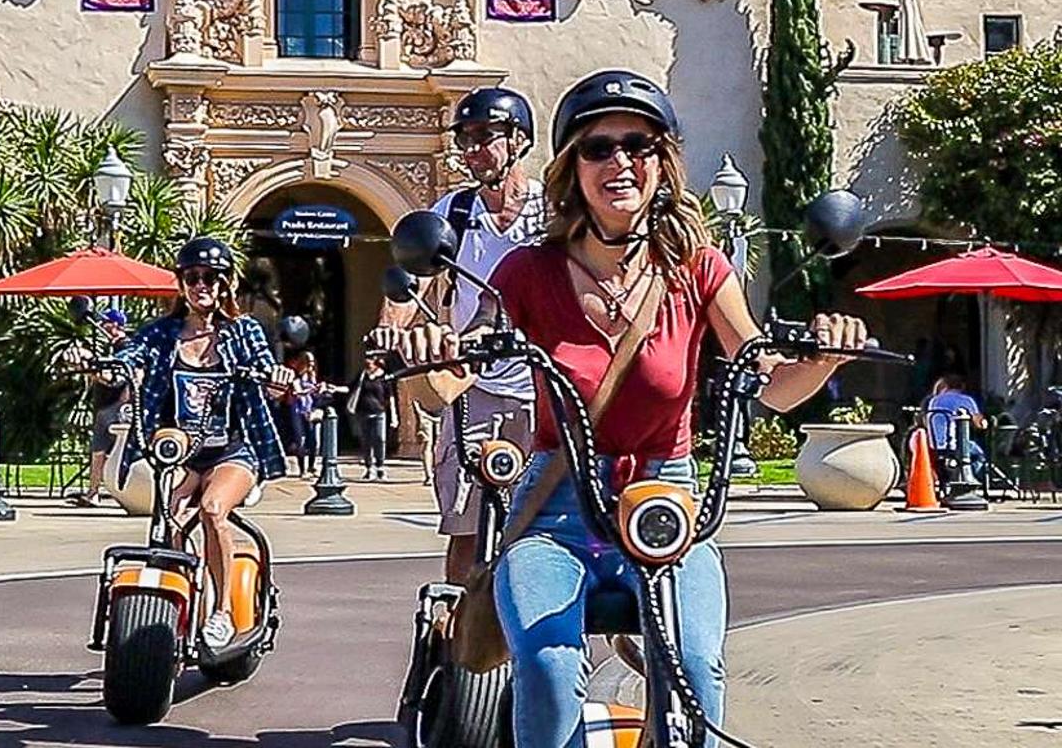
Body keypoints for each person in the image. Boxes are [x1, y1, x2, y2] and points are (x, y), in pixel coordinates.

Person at [375, 69, 872, 748]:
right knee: (548, 671)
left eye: (638, 145)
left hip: (667, 501)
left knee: (695, 670)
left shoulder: (699, 268)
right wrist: (430, 355)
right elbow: (450, 384)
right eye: (597, 147)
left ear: (663, 162)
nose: (620, 162)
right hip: (555, 512)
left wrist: (822, 359)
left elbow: (767, 378)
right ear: (570, 166)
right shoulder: (527, 270)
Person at [378, 85, 547, 584]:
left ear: (518, 140)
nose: (472, 150)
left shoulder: (552, 211)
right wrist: (388, 334)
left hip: (544, 388)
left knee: (547, 528)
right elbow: (411, 281)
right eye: (465, 139)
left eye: (484, 137)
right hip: (473, 385)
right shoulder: (453, 211)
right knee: (466, 529)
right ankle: (456, 644)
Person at [96, 237, 291, 650]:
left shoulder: (242, 331)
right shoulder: (163, 334)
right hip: (182, 450)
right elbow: (131, 356)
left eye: (211, 278)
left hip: (233, 449)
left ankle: (221, 612)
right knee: (171, 520)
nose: (202, 286)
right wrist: (108, 368)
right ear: (181, 283)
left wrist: (276, 378)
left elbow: (263, 365)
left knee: (213, 509)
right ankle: (179, 610)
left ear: (224, 285)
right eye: (193, 277)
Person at [72, 308, 133, 508]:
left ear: (116, 325)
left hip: (114, 407)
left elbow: (116, 380)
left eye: (106, 323)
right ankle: (94, 491)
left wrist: (91, 370)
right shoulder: (113, 348)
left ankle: (100, 491)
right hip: (105, 406)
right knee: (99, 451)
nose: (103, 327)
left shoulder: (125, 347)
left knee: (103, 450)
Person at [924, 373, 988, 474]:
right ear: (962, 386)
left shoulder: (934, 400)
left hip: (935, 444)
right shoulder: (965, 400)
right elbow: (978, 424)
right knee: (979, 455)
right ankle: (970, 477)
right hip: (955, 444)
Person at [345, 354, 395, 481]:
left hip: (379, 412)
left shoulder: (384, 377)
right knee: (366, 441)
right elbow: (351, 388)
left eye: (370, 362)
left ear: (376, 363)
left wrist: (394, 416)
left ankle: (380, 466)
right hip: (363, 412)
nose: (367, 364)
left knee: (380, 439)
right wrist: (335, 388)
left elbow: (390, 397)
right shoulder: (362, 376)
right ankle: (369, 467)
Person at [280, 349, 323, 476]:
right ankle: (302, 468)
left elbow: (316, 395)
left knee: (315, 440)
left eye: (312, 363)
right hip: (298, 410)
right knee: (301, 440)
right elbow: (296, 392)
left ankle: (312, 466)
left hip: (311, 410)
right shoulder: (295, 376)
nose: (311, 366)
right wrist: (311, 390)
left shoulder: (313, 376)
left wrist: (320, 389)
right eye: (308, 363)